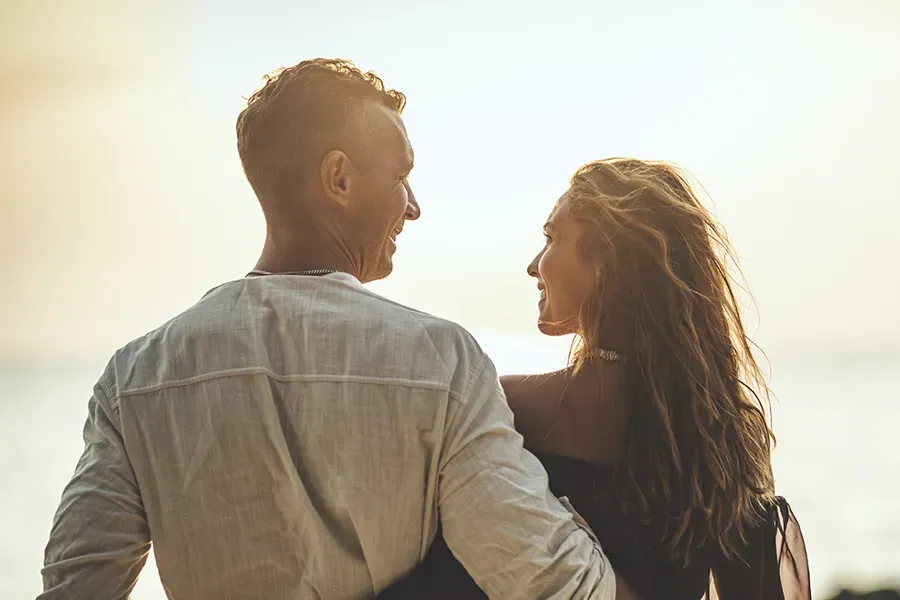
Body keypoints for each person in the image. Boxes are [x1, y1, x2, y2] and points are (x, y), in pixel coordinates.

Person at [38, 58, 628, 599]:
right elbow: (552, 584)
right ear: (339, 179)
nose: (414, 205)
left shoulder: (137, 378)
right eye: (401, 175)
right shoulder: (440, 360)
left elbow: (75, 587)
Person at [380, 158, 812, 600]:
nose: (534, 265)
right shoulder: (722, 430)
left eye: (551, 238)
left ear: (603, 261)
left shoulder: (509, 405)